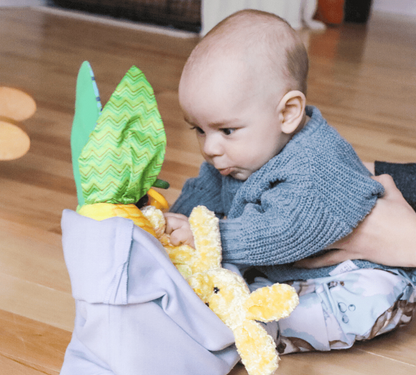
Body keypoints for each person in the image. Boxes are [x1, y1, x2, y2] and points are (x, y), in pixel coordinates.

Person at [164, 10, 416, 353]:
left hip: (356, 274)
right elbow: (206, 191)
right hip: (291, 265)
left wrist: (210, 236)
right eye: (199, 130)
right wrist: (171, 230)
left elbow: (286, 230)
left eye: (226, 130)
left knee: (362, 300)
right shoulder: (240, 153)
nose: (210, 147)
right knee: (232, 271)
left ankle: (266, 331)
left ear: (287, 113)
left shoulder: (314, 165)